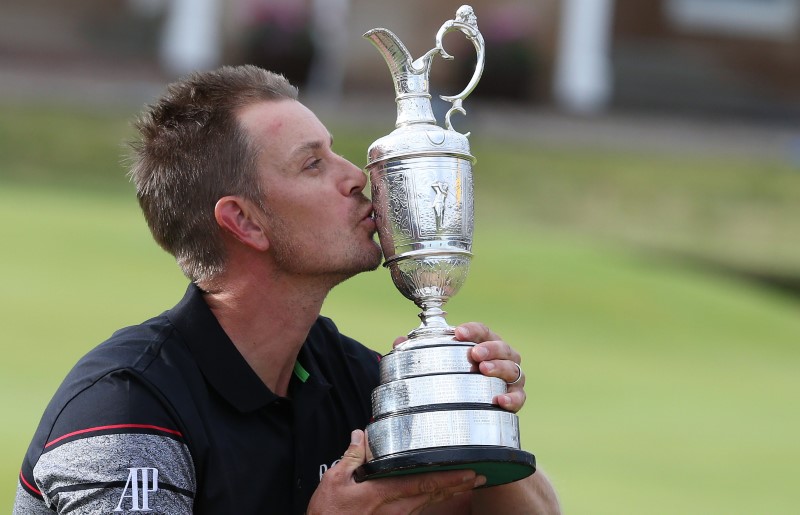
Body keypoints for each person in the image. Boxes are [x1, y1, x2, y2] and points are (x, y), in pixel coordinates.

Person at [14, 65, 560, 514]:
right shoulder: (128, 408)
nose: (356, 176)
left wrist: (475, 418)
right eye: (312, 164)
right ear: (245, 222)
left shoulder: (351, 380)